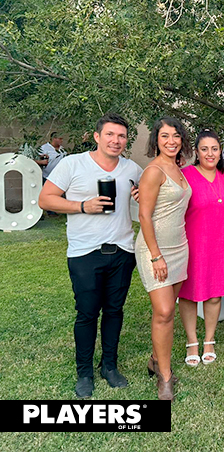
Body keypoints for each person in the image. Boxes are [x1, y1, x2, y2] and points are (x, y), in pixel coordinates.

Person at [38, 113, 142, 399]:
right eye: (110, 134)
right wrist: (83, 206)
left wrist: (140, 196)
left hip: (122, 250)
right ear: (97, 136)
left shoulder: (131, 168)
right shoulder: (73, 164)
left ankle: (109, 366)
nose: (116, 140)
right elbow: (45, 199)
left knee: (114, 312)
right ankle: (84, 372)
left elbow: (145, 198)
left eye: (121, 136)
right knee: (86, 314)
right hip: (85, 252)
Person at [135, 117, 192, 400]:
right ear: (155, 140)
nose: (171, 141)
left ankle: (156, 359)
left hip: (180, 248)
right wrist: (156, 256)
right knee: (165, 311)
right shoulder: (154, 171)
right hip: (154, 250)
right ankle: (165, 377)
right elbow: (144, 215)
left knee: (168, 311)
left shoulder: (179, 168)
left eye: (176, 136)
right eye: (165, 136)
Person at [178, 129, 224, 367]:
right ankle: (192, 340)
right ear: (196, 152)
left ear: (220, 152)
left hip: (220, 244)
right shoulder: (185, 174)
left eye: (215, 149)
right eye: (204, 149)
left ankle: (209, 340)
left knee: (214, 294)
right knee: (189, 294)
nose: (210, 154)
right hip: (193, 244)